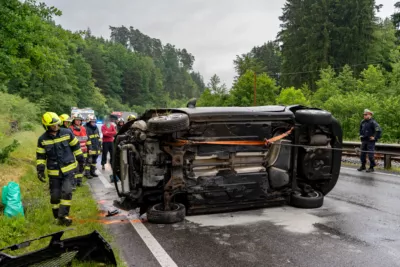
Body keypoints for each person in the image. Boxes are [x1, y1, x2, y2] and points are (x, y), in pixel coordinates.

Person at [36, 112, 84, 226]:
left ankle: (63, 216)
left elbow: (76, 147)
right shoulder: (42, 139)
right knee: (55, 197)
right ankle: (57, 216)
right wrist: (40, 170)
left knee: (67, 192)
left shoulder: (67, 133)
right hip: (54, 173)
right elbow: (41, 156)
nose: (56, 127)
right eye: (53, 125)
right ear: (46, 126)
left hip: (69, 170)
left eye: (57, 124)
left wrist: (81, 160)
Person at [70, 114, 91, 185]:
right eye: (77, 120)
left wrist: (89, 148)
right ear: (73, 121)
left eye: (80, 120)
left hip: (84, 150)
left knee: (82, 166)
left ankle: (79, 181)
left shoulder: (84, 128)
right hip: (75, 151)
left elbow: (87, 139)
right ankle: (74, 182)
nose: (78, 121)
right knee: (75, 167)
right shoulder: (70, 129)